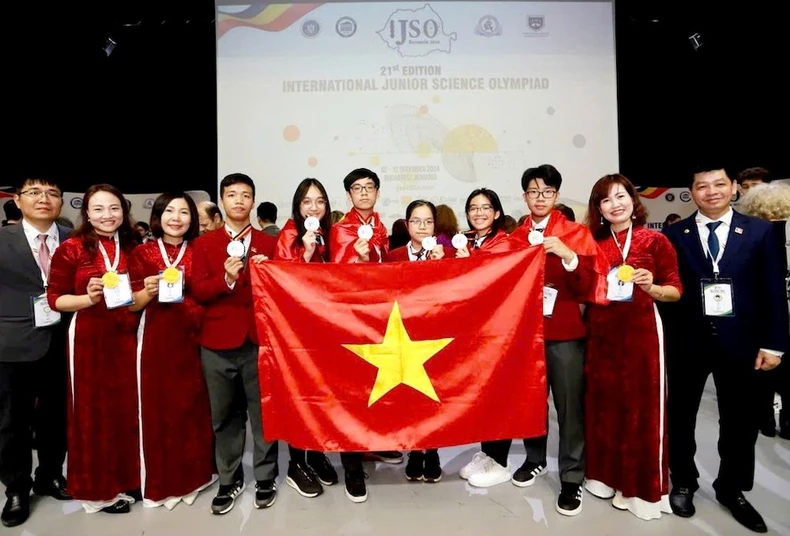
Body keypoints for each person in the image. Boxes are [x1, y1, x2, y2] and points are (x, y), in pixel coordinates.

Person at [663, 165, 787, 533]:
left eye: (720, 184)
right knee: (681, 417)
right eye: (702, 186)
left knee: (739, 422)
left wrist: (775, 344)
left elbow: (773, 291)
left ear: (734, 187)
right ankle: (683, 481)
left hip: (743, 343)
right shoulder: (673, 234)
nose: (711, 192)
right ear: (691, 191)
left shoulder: (761, 232)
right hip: (687, 342)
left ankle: (731, 489)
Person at [500, 165, 607, 517]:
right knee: (531, 402)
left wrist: (568, 255)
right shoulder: (515, 238)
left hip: (565, 334)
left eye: (547, 192)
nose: (540, 198)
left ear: (557, 196)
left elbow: (589, 287)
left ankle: (572, 475)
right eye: (533, 192)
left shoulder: (575, 234)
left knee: (569, 407)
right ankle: (534, 459)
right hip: (526, 336)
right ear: (524, 197)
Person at [583, 174, 682, 521]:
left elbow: (675, 290)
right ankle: (605, 479)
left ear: (633, 200)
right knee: (604, 408)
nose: (616, 204)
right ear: (599, 208)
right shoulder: (593, 243)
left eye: (621, 196)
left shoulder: (655, 240)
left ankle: (641, 489)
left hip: (642, 335)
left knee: (642, 410)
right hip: (601, 336)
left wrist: (652, 287)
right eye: (606, 200)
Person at [47, 184, 141, 514]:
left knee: (126, 410)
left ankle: (128, 478)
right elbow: (55, 299)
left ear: (124, 211)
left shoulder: (132, 246)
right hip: (88, 338)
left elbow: (139, 294)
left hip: (126, 336)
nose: (107, 215)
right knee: (93, 414)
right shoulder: (72, 248)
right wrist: (88, 298)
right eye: (98, 209)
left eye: (114, 208)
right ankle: (99, 491)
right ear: (86, 213)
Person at [191, 173, 279, 514]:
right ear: (222, 201)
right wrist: (227, 278)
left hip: (259, 339)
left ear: (253, 201)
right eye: (232, 195)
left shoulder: (268, 244)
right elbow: (198, 290)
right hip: (216, 341)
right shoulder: (204, 244)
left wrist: (269, 273)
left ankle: (265, 476)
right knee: (224, 416)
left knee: (263, 415)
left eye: (245, 195)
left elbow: (284, 289)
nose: (239, 201)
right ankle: (229, 478)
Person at [127, 192, 215, 508]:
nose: (176, 218)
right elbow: (131, 302)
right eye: (170, 211)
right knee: (158, 408)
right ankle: (162, 480)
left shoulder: (201, 250)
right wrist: (147, 291)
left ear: (193, 219)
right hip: (155, 339)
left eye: (184, 212)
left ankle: (195, 476)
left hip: (194, 338)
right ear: (159, 216)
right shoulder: (142, 253)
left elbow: (209, 293)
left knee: (192, 408)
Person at [328, 168, 403, 503]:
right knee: (351, 390)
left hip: (379, 317)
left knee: (376, 386)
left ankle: (372, 444)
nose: (363, 193)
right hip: (350, 318)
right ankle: (351, 466)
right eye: (356, 189)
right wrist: (361, 260)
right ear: (348, 195)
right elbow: (340, 277)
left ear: (377, 192)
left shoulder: (380, 227)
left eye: (369, 187)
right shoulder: (340, 229)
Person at [0, 179, 71, 527]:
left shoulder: (72, 238)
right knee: (12, 421)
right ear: (17, 199)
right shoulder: (2, 240)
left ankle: (50, 474)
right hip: (12, 344)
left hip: (63, 340)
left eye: (52, 193)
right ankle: (16, 488)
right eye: (34, 193)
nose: (44, 200)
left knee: (55, 416)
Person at [272, 178, 340, 496]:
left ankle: (317, 455)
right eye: (307, 202)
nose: (314, 207)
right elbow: (286, 283)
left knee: (322, 395)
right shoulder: (289, 234)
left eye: (320, 201)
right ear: (298, 207)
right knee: (301, 396)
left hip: (323, 328)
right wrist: (307, 252)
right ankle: (296, 464)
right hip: (296, 332)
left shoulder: (329, 234)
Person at [387, 200, 448, 483]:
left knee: (434, 395)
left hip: (436, 335)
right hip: (402, 336)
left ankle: (432, 450)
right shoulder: (393, 256)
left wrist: (444, 266)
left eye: (428, 221)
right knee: (409, 395)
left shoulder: (446, 255)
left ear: (435, 225)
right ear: (406, 224)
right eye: (416, 221)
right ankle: (414, 449)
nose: (422, 227)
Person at [739, 182, 790, 439]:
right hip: (781, 314)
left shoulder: (754, 235)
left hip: (762, 318)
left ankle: (766, 420)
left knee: (762, 374)